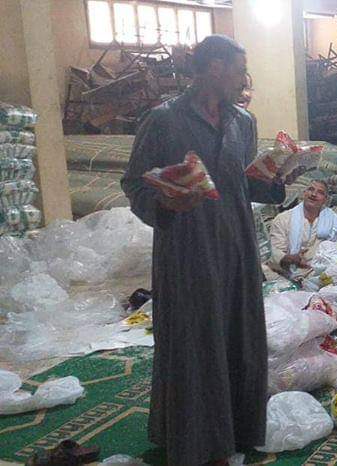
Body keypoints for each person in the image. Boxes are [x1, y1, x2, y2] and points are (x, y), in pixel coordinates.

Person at [121, 35, 292, 466]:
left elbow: (243, 183)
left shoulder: (243, 122)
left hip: (237, 246)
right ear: (214, 68)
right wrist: (165, 203)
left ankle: (237, 432)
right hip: (187, 250)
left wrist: (275, 181)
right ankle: (197, 443)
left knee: (239, 337)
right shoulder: (164, 121)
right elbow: (135, 184)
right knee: (195, 343)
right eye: (239, 70)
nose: (244, 80)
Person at [266, 179, 337, 281]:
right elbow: (273, 251)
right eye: (311, 189)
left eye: (320, 192)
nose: (313, 194)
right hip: (285, 273)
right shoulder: (283, 219)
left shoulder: (333, 220)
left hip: (317, 273)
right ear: (304, 193)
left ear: (325, 199)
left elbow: (336, 249)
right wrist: (289, 259)